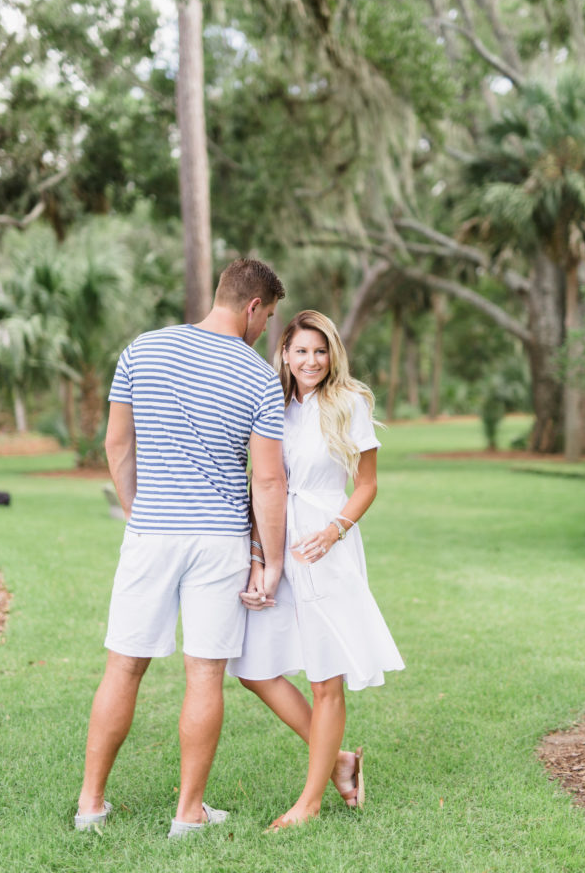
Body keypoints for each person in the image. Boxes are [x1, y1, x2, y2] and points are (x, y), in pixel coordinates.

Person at [75, 259, 287, 838]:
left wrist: (141, 510)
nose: (265, 328)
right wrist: (271, 561)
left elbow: (117, 444)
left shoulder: (142, 350)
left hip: (151, 533)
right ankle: (188, 815)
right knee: (204, 675)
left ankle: (90, 806)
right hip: (219, 541)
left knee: (123, 664)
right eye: (267, 317)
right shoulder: (259, 376)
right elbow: (267, 482)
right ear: (252, 307)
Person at [227, 310, 404, 830]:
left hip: (325, 545)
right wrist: (260, 555)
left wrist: (334, 530)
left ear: (333, 355)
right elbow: (264, 483)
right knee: (255, 669)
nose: (311, 360)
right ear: (284, 353)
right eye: (301, 350)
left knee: (326, 681)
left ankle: (308, 803)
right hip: (276, 537)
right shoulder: (270, 405)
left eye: (320, 351)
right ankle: (341, 761)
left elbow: (367, 484)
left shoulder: (348, 403)